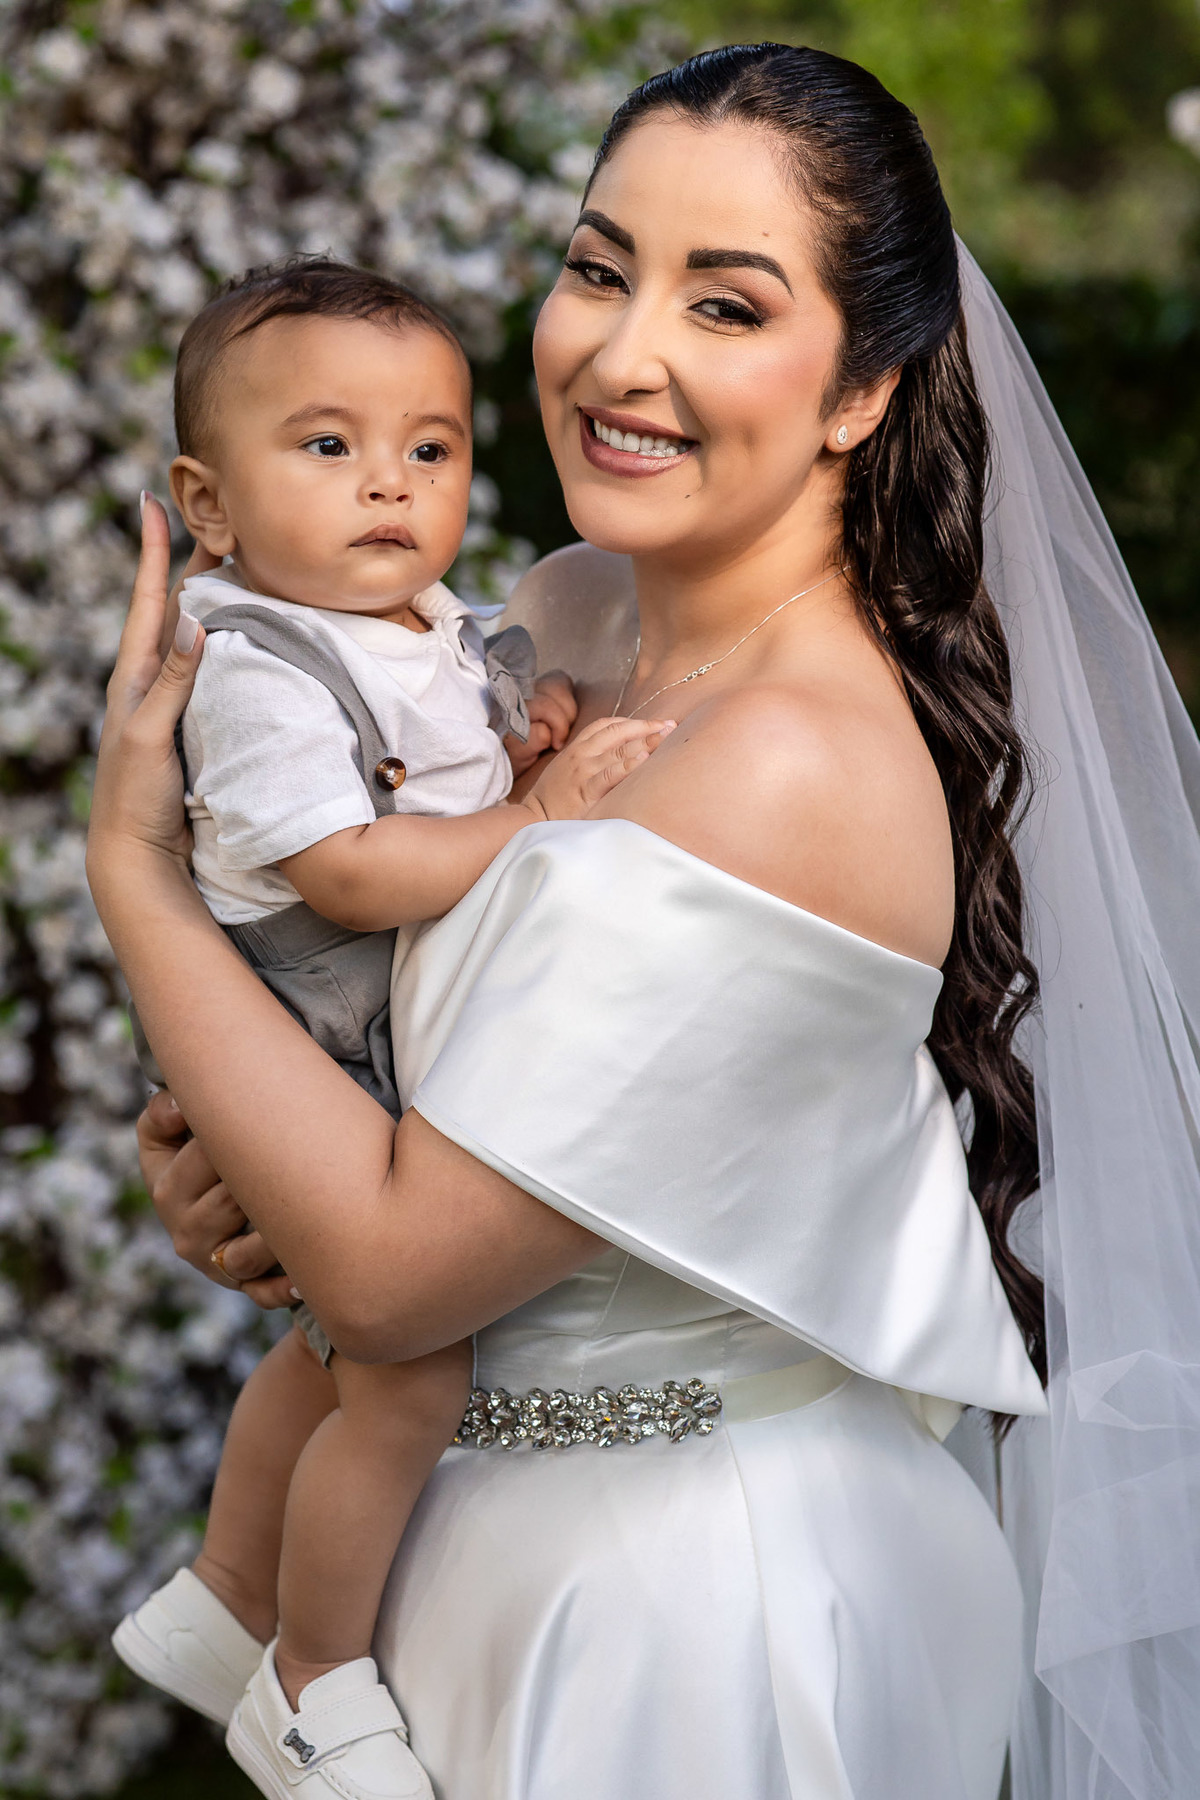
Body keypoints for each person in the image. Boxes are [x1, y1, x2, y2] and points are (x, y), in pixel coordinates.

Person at [90, 40, 1200, 1800]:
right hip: (461, 1537)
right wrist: (243, 1173)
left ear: (862, 391)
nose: (622, 354)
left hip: (687, 1601)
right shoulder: (564, 612)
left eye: (725, 304)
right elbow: (406, 1090)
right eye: (600, 269)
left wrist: (136, 877)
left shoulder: (789, 763)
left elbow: (394, 1272)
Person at [108, 259, 670, 1800]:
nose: (389, 484)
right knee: (406, 1373)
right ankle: (312, 1675)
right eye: (329, 445)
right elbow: (351, 871)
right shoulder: (256, 666)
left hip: (381, 1019)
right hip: (319, 1019)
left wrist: (520, 747)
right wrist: (541, 816)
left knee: (337, 1354)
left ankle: (228, 1595)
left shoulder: (425, 623)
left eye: (430, 448)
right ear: (207, 506)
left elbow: (448, 757)